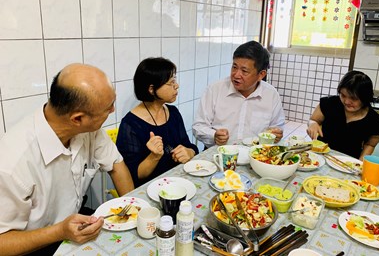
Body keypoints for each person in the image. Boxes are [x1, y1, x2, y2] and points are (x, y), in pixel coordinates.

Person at [0, 64, 134, 255]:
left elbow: (116, 164)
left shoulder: (89, 130)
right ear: (77, 119)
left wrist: (133, 208)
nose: (113, 110)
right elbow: (2, 242)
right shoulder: (12, 162)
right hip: (34, 245)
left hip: (75, 225)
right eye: (108, 107)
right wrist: (59, 232)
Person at [116, 57, 199, 187]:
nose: (176, 86)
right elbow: (133, 175)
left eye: (175, 81)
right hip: (152, 190)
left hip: (179, 183)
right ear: (151, 89)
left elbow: (189, 145)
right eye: (171, 82)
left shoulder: (173, 112)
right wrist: (154, 156)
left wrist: (189, 152)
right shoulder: (130, 125)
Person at [192, 40, 285, 148]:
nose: (236, 75)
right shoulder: (215, 90)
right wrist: (214, 135)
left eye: (244, 71)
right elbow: (198, 126)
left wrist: (276, 134)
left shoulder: (271, 94)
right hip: (219, 154)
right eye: (234, 67)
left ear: (261, 74)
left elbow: (277, 127)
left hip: (255, 155)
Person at [307, 70, 379, 160]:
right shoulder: (329, 103)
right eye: (343, 95)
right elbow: (314, 120)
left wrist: (360, 164)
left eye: (353, 98)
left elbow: (370, 145)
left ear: (365, 98)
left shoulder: (375, 121)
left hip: (348, 162)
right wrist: (312, 124)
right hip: (320, 156)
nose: (346, 102)